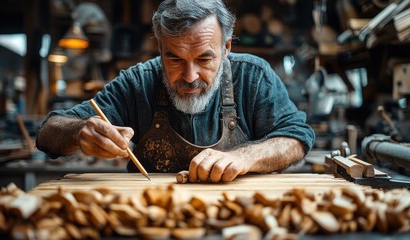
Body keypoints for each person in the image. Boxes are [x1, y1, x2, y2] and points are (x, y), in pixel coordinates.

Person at [36, 0, 315, 183]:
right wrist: (79, 131)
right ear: (160, 49)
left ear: (226, 48)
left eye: (205, 59)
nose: (190, 77)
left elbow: (297, 137)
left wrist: (244, 157)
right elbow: (48, 132)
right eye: (175, 59)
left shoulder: (253, 76)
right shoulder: (138, 83)